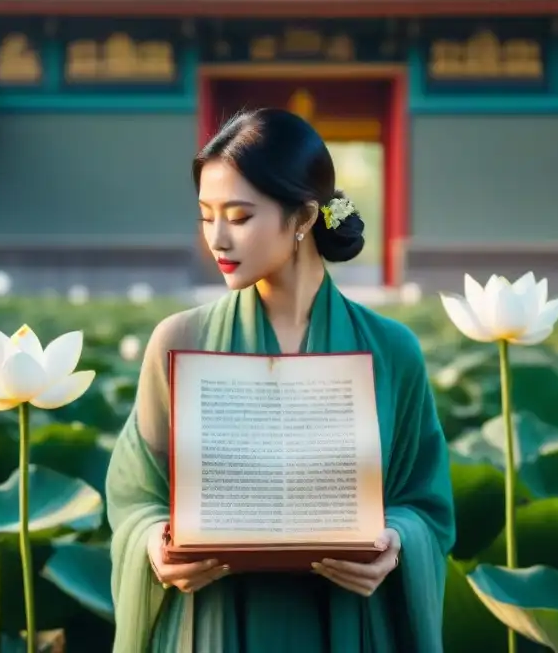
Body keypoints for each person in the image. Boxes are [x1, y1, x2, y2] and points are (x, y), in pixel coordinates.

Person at [105, 108, 455, 652]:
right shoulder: (177, 342)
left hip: (347, 621)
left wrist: (398, 542)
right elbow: (135, 496)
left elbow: (425, 504)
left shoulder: (392, 351)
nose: (217, 239)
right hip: (215, 621)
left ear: (303, 218)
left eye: (239, 217)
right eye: (205, 216)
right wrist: (154, 543)